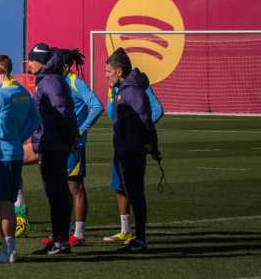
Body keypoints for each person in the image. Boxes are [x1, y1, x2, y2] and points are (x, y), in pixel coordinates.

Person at [0, 55, 41, 264]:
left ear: (0, 70)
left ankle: (9, 251)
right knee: (9, 204)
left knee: (3, 205)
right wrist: (20, 137)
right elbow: (36, 120)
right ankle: (8, 250)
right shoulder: (21, 91)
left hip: (0, 154)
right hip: (15, 152)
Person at [25, 42, 79, 255]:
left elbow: (62, 110)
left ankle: (61, 241)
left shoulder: (50, 81)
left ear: (41, 61)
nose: (29, 63)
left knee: (57, 193)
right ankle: (59, 238)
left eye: (32, 59)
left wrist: (70, 136)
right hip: (51, 142)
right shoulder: (49, 79)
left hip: (54, 144)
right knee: (55, 193)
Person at [105, 48, 160, 253]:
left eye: (109, 71)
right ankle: (136, 237)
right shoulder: (124, 90)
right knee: (130, 192)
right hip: (125, 149)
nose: (106, 75)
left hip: (132, 151)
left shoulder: (132, 91)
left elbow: (145, 120)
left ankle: (140, 239)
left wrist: (152, 146)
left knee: (136, 195)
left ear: (119, 71)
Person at [58, 48, 103, 247]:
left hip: (74, 145)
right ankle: (63, 232)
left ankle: (79, 234)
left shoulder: (76, 82)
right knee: (62, 189)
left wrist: (81, 130)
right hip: (59, 144)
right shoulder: (58, 82)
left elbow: (97, 105)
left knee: (75, 187)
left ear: (67, 66)